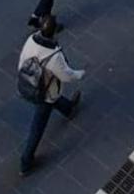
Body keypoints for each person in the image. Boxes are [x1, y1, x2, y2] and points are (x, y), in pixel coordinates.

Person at [18, 15, 85, 175]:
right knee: (38, 125)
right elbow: (66, 75)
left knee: (53, 100)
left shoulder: (31, 40)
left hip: (29, 84)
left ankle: (68, 108)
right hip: (44, 92)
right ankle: (25, 161)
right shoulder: (54, 56)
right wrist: (79, 74)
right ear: (54, 32)